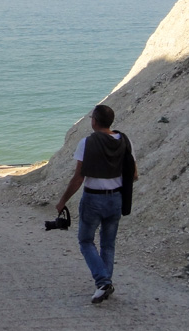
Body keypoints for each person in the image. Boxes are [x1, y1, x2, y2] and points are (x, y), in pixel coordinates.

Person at [55, 104, 137, 304]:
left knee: (85, 240)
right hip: (116, 198)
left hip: (93, 198)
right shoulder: (125, 141)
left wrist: (63, 201)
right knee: (108, 244)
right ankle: (105, 283)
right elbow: (133, 174)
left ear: (94, 121)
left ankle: (102, 282)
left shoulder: (87, 143)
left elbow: (78, 177)